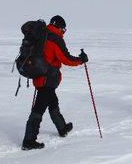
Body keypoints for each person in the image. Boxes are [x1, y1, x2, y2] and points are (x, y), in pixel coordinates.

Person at [22, 15, 88, 150]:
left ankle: (62, 128)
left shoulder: (42, 35)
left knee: (53, 102)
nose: (64, 32)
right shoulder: (54, 39)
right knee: (38, 109)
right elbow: (66, 59)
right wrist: (81, 60)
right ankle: (28, 141)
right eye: (64, 29)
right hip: (47, 78)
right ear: (60, 28)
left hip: (41, 77)